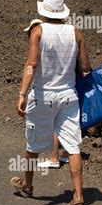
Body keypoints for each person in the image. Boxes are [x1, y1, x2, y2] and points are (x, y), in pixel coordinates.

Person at [12, 0, 92, 205]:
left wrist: (21, 93)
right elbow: (85, 67)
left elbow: (31, 64)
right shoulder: (76, 32)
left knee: (32, 145)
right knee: (73, 146)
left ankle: (27, 185)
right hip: (68, 96)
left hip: (43, 95)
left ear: (44, 11)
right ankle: (78, 196)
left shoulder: (38, 31)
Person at [22, 19, 70, 169]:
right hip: (67, 91)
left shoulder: (41, 41)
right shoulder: (60, 41)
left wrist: (22, 93)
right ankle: (62, 156)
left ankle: (29, 181)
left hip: (47, 92)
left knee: (49, 125)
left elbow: (32, 66)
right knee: (59, 123)